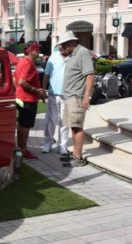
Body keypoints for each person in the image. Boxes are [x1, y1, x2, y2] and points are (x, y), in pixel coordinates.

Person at [58, 31, 96, 167]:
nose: (61, 47)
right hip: (70, 97)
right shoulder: (74, 54)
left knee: (77, 127)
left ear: (70, 42)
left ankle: (78, 158)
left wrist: (86, 96)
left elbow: (90, 75)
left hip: (77, 97)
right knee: (74, 127)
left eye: (63, 44)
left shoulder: (83, 53)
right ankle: (75, 154)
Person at [14, 41, 48, 160]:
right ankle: (23, 150)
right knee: (26, 126)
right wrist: (36, 91)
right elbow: (22, 81)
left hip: (21, 97)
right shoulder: (28, 63)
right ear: (31, 51)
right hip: (27, 99)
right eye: (37, 50)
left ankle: (20, 148)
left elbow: (16, 80)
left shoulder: (21, 62)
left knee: (22, 124)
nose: (38, 52)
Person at [41, 48, 69, 157]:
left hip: (67, 95)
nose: (61, 48)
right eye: (60, 46)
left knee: (64, 121)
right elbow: (46, 75)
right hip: (53, 94)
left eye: (63, 45)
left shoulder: (73, 57)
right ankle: (48, 142)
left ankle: (62, 145)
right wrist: (43, 90)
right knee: (51, 120)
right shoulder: (53, 57)